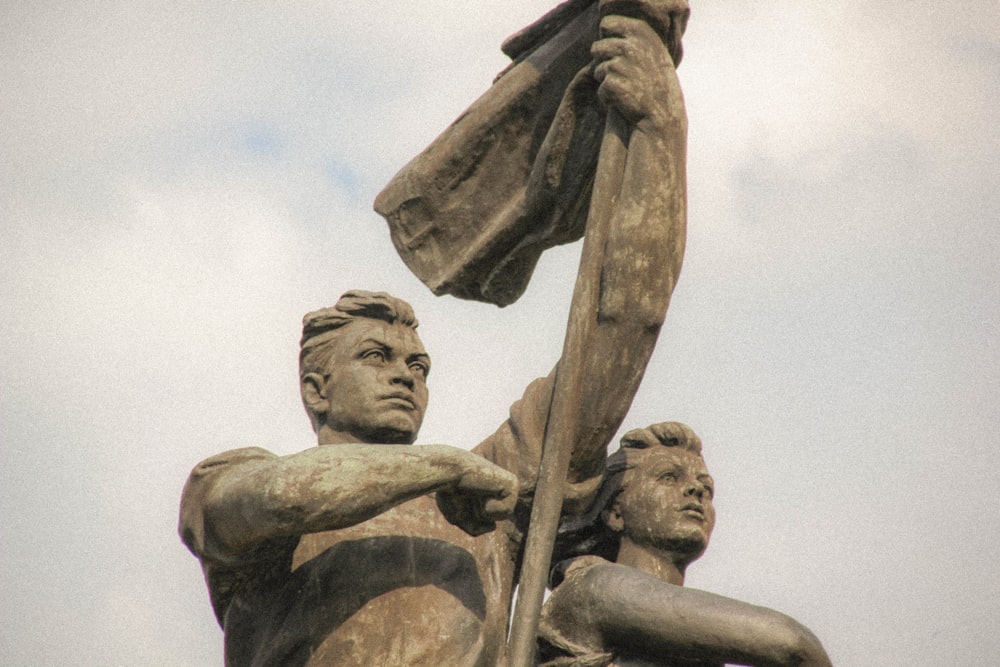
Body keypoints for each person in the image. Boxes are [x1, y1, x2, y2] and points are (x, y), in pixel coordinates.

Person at [179, 4, 690, 665]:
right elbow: (281, 495)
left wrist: (658, 133)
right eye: (378, 355)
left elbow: (622, 324)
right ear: (316, 386)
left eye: (419, 365)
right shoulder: (233, 481)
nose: (407, 374)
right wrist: (445, 464)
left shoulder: (487, 494)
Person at [538, 423, 833, 667]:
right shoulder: (593, 588)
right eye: (669, 477)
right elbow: (793, 644)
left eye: (707, 488)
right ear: (616, 512)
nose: (696, 491)